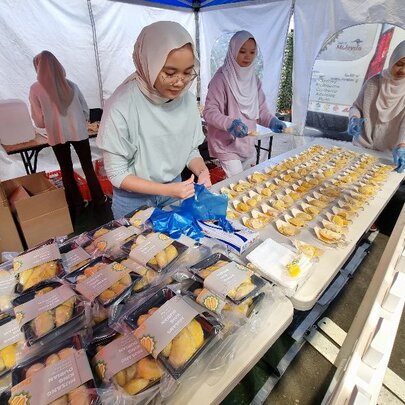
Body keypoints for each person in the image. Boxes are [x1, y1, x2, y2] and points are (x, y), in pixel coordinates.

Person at [96, 21, 211, 219]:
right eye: (170, 73)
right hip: (134, 200)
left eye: (187, 72)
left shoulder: (187, 101)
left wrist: (202, 171)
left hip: (175, 189)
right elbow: (117, 173)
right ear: (148, 63)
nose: (180, 82)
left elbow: (188, 149)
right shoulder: (123, 104)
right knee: (136, 249)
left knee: (176, 247)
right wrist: (168, 190)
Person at [29, 51, 106, 222]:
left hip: (56, 134)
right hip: (79, 131)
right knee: (87, 166)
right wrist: (78, 121)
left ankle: (77, 206)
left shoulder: (35, 89)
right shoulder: (71, 85)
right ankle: (100, 200)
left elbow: (39, 121)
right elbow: (85, 110)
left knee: (66, 170)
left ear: (38, 68)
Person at [203, 30, 286, 178]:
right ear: (233, 51)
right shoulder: (221, 79)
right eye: (242, 51)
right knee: (236, 183)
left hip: (247, 144)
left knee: (248, 183)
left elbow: (261, 112)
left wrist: (272, 121)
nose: (248, 56)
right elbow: (209, 112)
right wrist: (229, 124)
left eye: (252, 52)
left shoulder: (254, 81)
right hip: (226, 145)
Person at [348, 40, 405, 173]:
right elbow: (356, 107)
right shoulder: (373, 83)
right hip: (362, 148)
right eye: (399, 64)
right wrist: (354, 119)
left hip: (389, 154)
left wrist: (402, 146)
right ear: (392, 61)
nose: (402, 70)